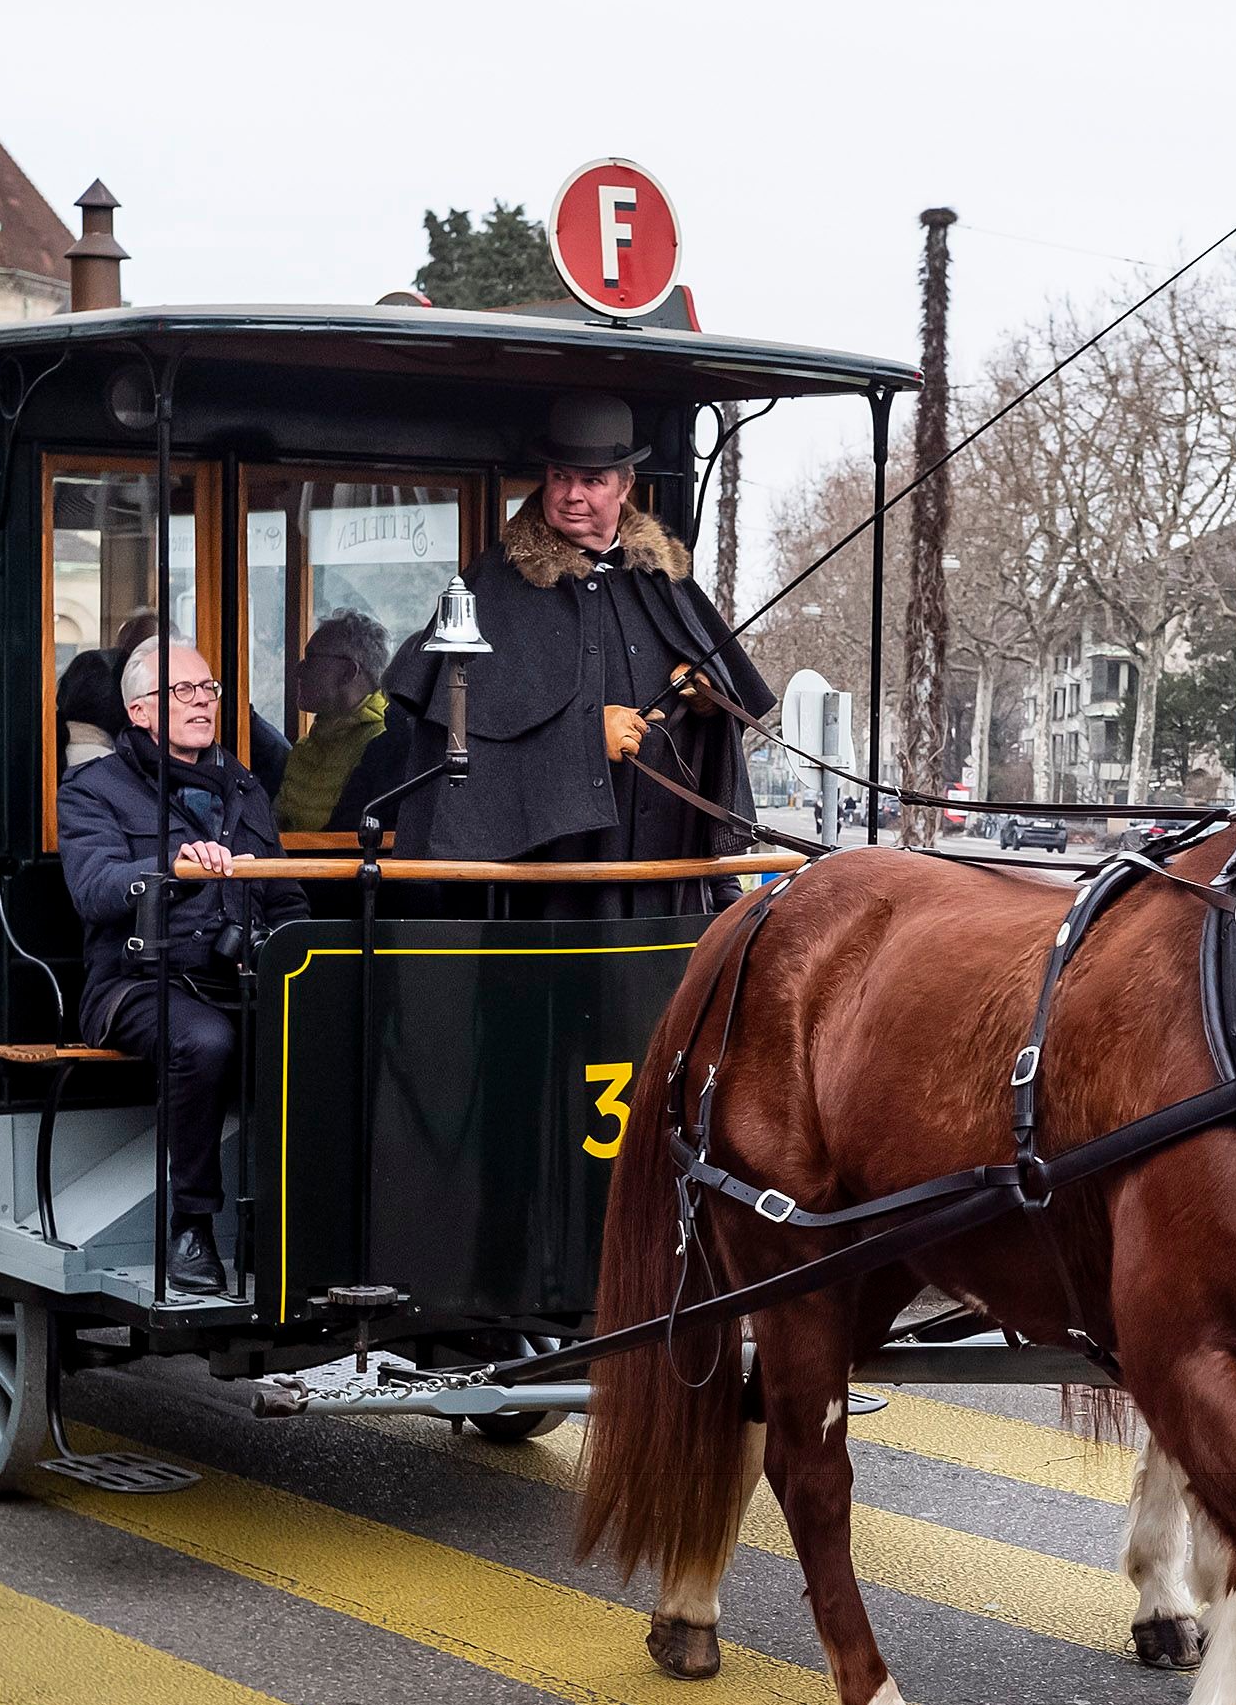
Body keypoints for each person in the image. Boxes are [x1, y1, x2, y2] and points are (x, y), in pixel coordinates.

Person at [366, 391, 773, 914]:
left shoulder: (663, 584)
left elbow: (718, 726)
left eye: (592, 480)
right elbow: (454, 753)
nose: (571, 494)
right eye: (560, 476)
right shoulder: (488, 588)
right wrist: (583, 744)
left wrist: (706, 703)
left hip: (663, 887)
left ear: (626, 486)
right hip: (549, 900)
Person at [57, 636, 308, 1294]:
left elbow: (287, 897)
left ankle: (302, 1227)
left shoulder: (245, 788)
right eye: (183, 691)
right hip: (134, 983)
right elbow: (94, 887)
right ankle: (190, 1231)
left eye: (209, 690)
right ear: (138, 711)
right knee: (204, 1039)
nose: (203, 702)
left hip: (238, 977)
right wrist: (169, 869)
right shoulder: (94, 790)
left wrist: (294, 954)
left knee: (330, 1025)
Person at [276, 609, 392, 835]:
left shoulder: (382, 744)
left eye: (311, 658)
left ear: (348, 672)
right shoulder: (308, 744)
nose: (298, 669)